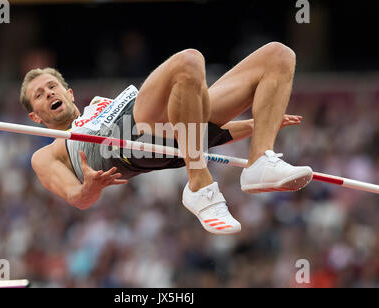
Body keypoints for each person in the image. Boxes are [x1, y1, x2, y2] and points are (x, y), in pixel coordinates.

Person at [20, 42, 312, 235]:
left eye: (52, 86)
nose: (49, 94)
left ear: (69, 93)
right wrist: (90, 188)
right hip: (127, 141)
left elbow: (197, 134)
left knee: (278, 55)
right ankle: (200, 185)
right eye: (40, 95)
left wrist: (257, 124)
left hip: (173, 135)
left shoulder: (100, 103)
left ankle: (260, 160)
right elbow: (78, 199)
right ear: (35, 116)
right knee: (188, 60)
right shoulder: (48, 153)